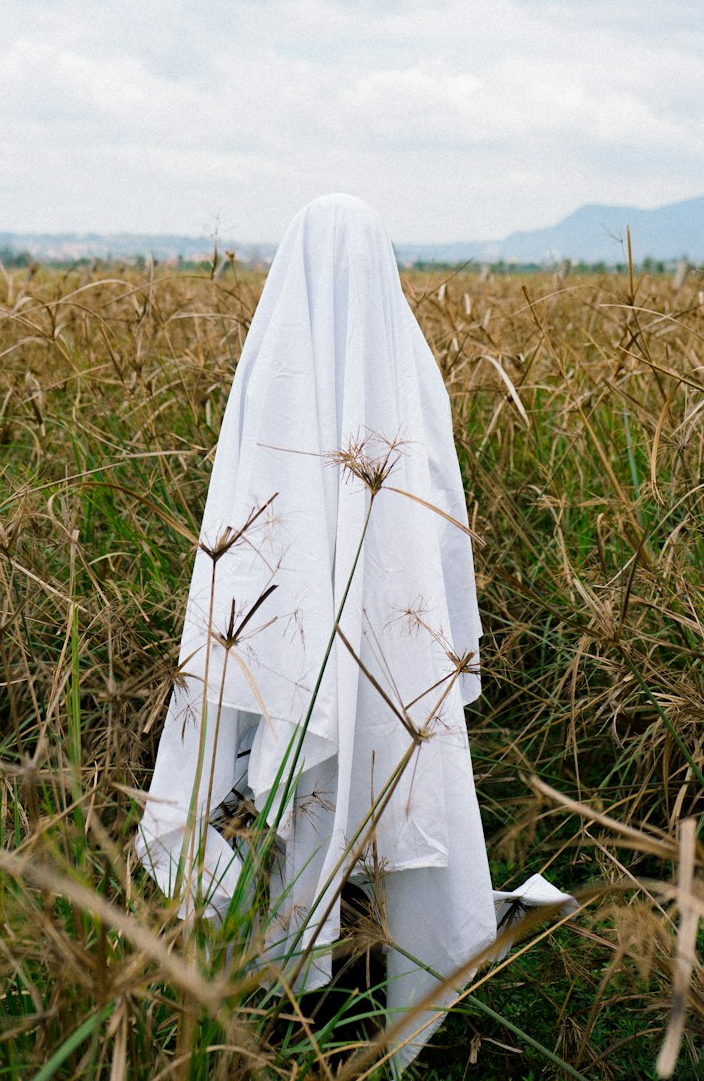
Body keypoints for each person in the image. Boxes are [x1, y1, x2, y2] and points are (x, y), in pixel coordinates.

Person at [135, 194, 569, 1070]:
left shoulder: (271, 371)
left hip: (272, 634)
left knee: (270, 775)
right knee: (370, 769)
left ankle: (275, 972)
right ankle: (341, 961)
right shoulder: (409, 373)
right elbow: (440, 524)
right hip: (379, 641)